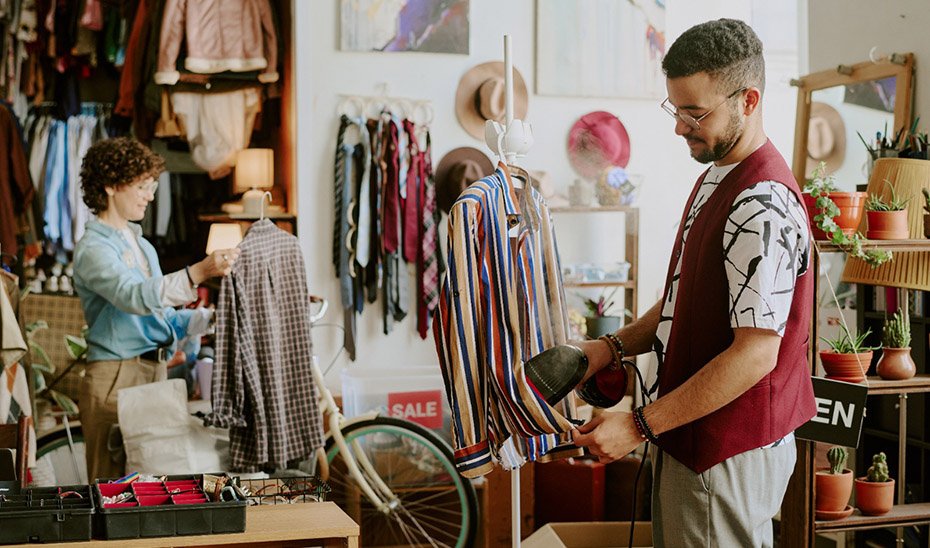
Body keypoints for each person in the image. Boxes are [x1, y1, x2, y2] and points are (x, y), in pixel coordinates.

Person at [571, 19, 815, 547]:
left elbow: (755, 355)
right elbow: (687, 299)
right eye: (675, 108)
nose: (679, 127)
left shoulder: (762, 204)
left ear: (748, 100)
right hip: (691, 438)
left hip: (723, 454)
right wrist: (607, 347)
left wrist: (637, 425)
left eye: (694, 112)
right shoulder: (718, 175)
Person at [73, 137, 240, 481]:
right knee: (110, 489)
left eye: (151, 186)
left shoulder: (142, 245)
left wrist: (210, 320)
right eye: (141, 186)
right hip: (115, 376)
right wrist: (200, 272)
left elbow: (157, 315)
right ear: (109, 186)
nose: (150, 196)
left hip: (155, 371)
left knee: (154, 484)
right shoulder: (93, 249)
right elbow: (134, 296)